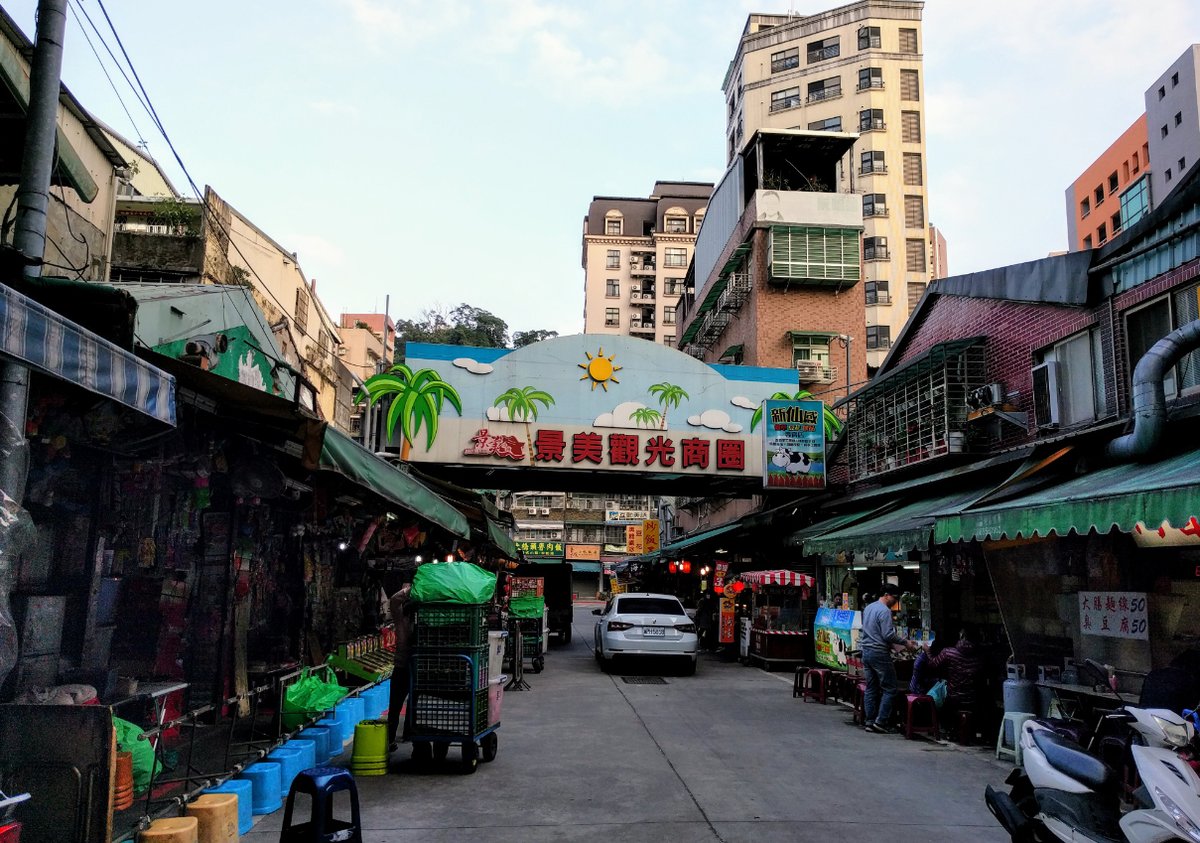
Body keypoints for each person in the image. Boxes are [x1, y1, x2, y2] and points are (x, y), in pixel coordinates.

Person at [860, 584, 917, 733]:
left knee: (871, 688)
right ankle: (881, 721)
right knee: (890, 688)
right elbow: (887, 635)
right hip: (879, 652)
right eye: (894, 598)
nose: (895, 601)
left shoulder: (869, 608)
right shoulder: (884, 611)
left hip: (866, 651)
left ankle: (870, 721)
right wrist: (905, 642)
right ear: (887, 595)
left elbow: (874, 632)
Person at [926, 624, 984, 722]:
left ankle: (937, 723)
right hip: (972, 698)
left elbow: (933, 664)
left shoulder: (948, 652)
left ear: (962, 636)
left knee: (934, 687)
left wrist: (927, 652)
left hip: (953, 697)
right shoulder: (980, 656)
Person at [386, 583, 416, 753]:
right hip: (414, 667)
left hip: (402, 666)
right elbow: (395, 600)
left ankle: (391, 738)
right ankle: (409, 735)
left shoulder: (400, 620)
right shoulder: (412, 622)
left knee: (396, 704)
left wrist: (409, 589)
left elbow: (395, 599)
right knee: (413, 702)